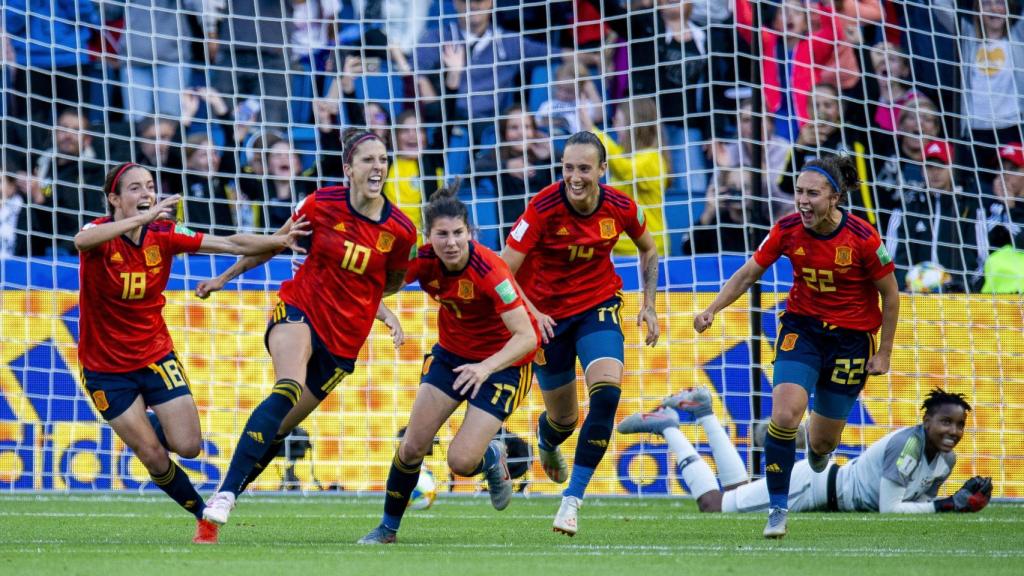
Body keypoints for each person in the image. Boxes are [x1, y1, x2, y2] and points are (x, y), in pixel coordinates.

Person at [75, 162, 310, 544]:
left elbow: (231, 242)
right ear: (114, 199)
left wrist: (278, 241)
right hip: (104, 368)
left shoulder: (166, 234)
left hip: (155, 357)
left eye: (149, 186)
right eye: (134, 189)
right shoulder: (97, 234)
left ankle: (142, 423)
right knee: (151, 455)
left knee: (188, 445)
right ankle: (201, 515)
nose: (146, 194)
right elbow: (81, 242)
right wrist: (146, 217)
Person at [194, 128, 418, 528]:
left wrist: (379, 311)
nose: (378, 167)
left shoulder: (400, 231)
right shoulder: (319, 205)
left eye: (383, 159)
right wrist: (223, 278)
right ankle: (224, 492)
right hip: (300, 307)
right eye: (368, 159)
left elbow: (391, 281)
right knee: (288, 385)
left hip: (344, 340)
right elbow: (275, 244)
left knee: (279, 428)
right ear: (348, 168)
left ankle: (224, 500)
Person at [693, 153, 900, 538]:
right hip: (801, 330)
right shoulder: (786, 228)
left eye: (813, 194)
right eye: (799, 192)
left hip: (851, 341)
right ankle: (777, 509)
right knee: (785, 416)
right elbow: (748, 273)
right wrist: (711, 310)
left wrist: (884, 351)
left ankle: (817, 450)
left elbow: (890, 294)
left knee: (823, 444)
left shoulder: (863, 238)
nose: (802, 201)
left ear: (834, 197)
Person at [358, 178, 541, 544]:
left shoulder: (491, 270)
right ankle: (387, 530)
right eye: (442, 234)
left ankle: (491, 455)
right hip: (451, 357)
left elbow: (528, 337)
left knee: (460, 462)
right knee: (411, 447)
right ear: (429, 236)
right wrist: (387, 315)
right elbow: (366, 286)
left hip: (505, 363)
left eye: (458, 232)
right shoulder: (422, 261)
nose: (452, 242)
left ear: (470, 231)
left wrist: (485, 367)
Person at [501, 131, 660, 536]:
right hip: (548, 319)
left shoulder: (621, 207)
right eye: (568, 168)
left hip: (597, 306)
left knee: (606, 396)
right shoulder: (542, 208)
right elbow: (503, 270)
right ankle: (548, 440)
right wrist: (531, 312)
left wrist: (649, 304)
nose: (575, 176)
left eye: (584, 168)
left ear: (602, 170)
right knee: (564, 420)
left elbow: (648, 247)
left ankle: (571, 500)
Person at [617, 387, 993, 515]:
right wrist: (949, 506)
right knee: (714, 506)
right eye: (945, 422)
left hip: (817, 485)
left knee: (734, 493)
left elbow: (915, 506)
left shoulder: (946, 459)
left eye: (959, 425)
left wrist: (948, 502)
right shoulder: (909, 444)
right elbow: (890, 509)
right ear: (926, 420)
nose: (953, 431)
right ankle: (668, 425)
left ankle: (702, 413)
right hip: (812, 488)